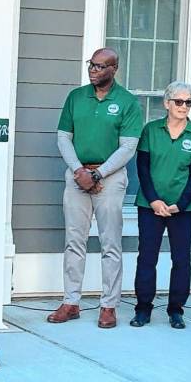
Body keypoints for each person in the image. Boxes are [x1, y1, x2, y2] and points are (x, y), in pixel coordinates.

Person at [48, 47, 142, 328]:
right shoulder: (76, 97)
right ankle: (71, 301)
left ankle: (109, 306)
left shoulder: (126, 101)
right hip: (77, 174)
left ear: (114, 69)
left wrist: (98, 174)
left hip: (109, 176)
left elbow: (128, 147)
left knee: (110, 243)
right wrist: (79, 171)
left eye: (101, 66)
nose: (94, 70)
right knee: (74, 241)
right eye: (91, 65)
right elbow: (64, 137)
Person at [131, 82, 191, 329]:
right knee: (147, 257)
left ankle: (176, 310)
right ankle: (143, 309)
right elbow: (142, 168)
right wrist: (154, 200)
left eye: (188, 102)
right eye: (179, 101)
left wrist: (179, 205)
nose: (184, 106)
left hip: (182, 209)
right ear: (167, 103)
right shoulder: (151, 130)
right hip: (149, 205)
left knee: (181, 259)